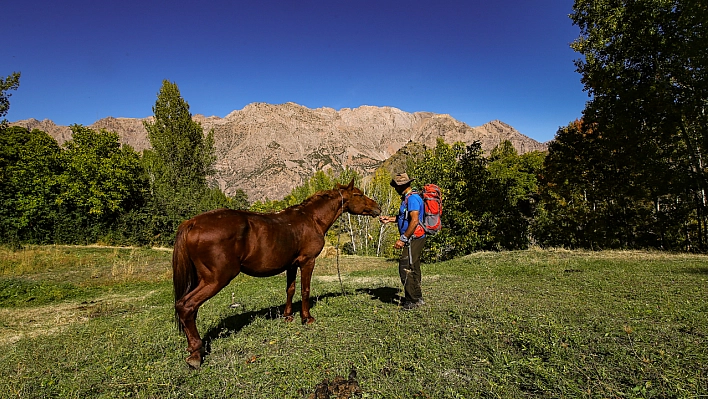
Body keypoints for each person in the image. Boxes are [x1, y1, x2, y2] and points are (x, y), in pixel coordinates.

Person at [378, 173, 427, 310]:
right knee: (413, 266)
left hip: (414, 238)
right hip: (414, 237)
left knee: (405, 267)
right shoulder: (407, 198)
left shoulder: (412, 199)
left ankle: (412, 301)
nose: (395, 189)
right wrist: (390, 219)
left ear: (402, 186)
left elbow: (415, 220)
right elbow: (403, 217)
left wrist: (403, 238)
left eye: (396, 186)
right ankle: (417, 297)